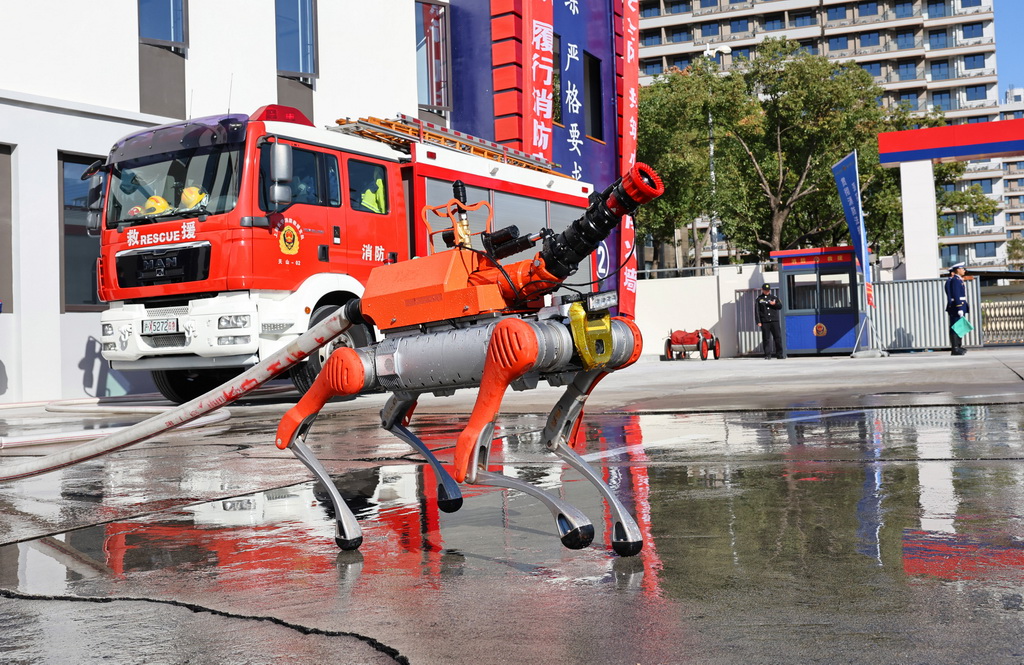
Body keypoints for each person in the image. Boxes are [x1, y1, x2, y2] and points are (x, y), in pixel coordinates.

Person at [944, 262, 970, 356]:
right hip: (957, 306)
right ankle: (955, 348)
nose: (964, 270)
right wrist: (959, 306)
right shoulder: (955, 280)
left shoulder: (958, 279)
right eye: (962, 268)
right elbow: (955, 294)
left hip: (960, 305)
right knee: (955, 327)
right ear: (957, 270)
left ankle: (958, 346)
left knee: (959, 326)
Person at [756, 282, 785, 360]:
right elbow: (757, 311)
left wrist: (774, 304)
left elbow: (780, 306)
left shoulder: (774, 297)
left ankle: (779, 354)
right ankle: (767, 354)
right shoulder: (759, 299)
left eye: (768, 290)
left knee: (777, 337)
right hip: (765, 321)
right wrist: (758, 321)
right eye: (765, 290)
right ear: (762, 290)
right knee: (766, 338)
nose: (767, 291)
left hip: (774, 320)